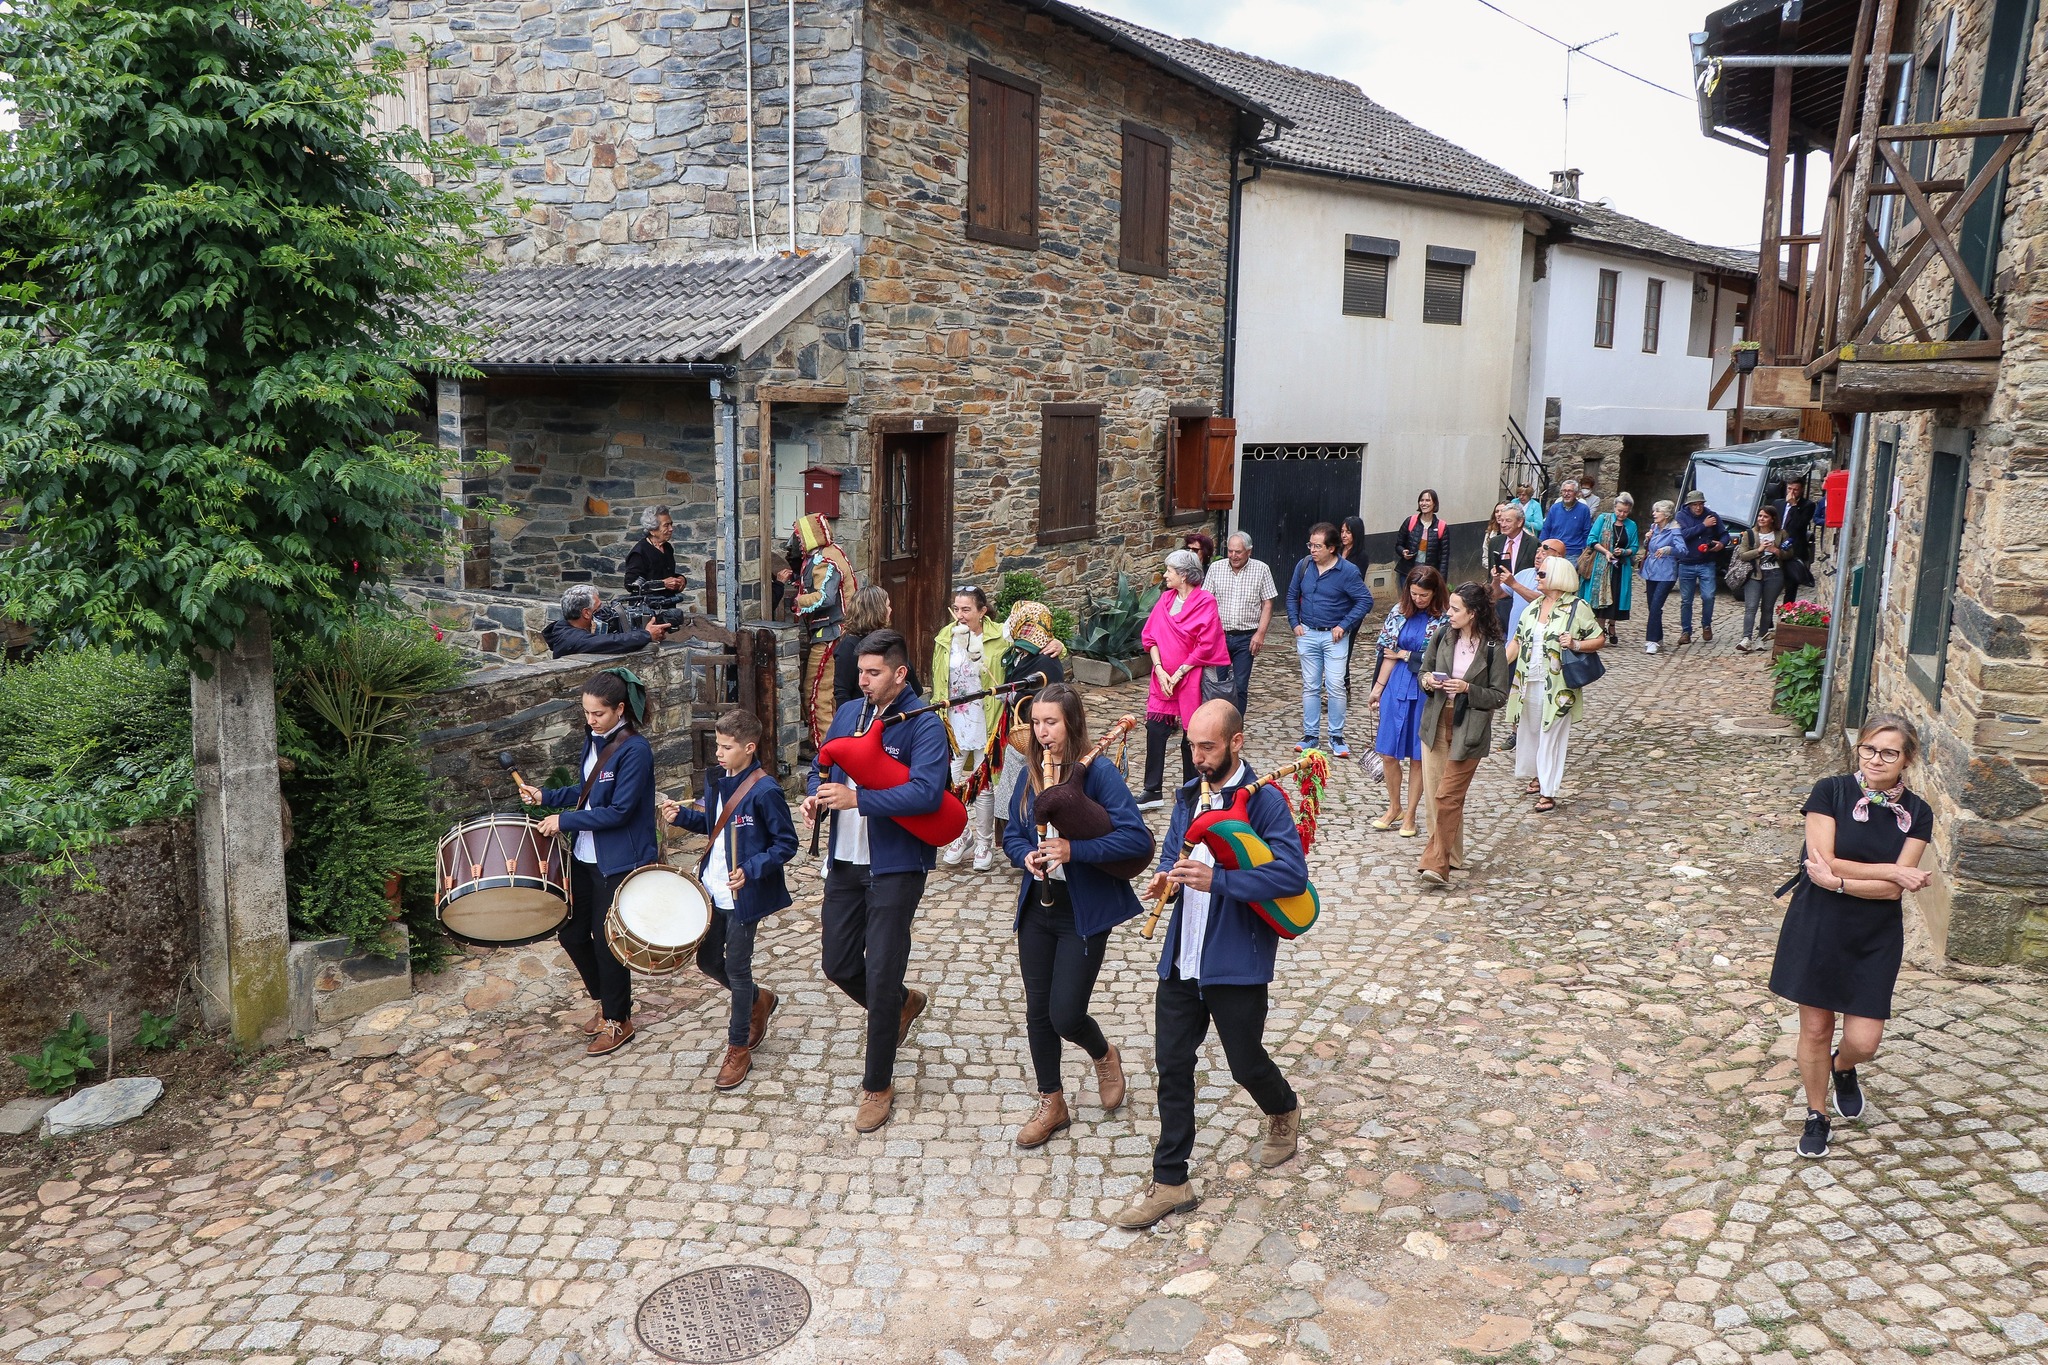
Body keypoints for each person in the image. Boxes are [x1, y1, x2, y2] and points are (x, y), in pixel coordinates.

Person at [1114, 700, 1305, 1230]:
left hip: (1235, 959)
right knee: (1173, 1066)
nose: (1197, 757)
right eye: (1191, 745)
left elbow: (1291, 877)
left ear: (1236, 742)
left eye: (1208, 747)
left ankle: (1283, 1107)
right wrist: (1166, 884)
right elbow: (1177, 859)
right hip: (1183, 957)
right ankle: (1171, 1180)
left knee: (1244, 1062)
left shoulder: (1264, 802)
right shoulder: (1187, 798)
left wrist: (1218, 881)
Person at [802, 629, 949, 1134]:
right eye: (860, 672)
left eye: (873, 673)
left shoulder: (924, 724)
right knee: (838, 963)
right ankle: (902, 1005)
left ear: (899, 673)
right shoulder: (848, 713)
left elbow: (928, 794)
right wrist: (813, 794)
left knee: (882, 971)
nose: (862, 681)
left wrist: (859, 800)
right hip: (845, 859)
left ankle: (878, 1084)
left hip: (896, 863)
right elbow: (822, 764)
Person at [1768, 715, 1932, 1159]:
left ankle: (1844, 1069)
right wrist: (1892, 869)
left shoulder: (1917, 812)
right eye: (1869, 749)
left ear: (1907, 760)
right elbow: (1822, 858)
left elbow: (1889, 890)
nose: (1876, 759)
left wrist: (1843, 881)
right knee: (1817, 1027)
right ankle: (1816, 1115)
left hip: (1874, 932)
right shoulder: (1831, 791)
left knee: (1864, 1041)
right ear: (1859, 749)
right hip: (1819, 922)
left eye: (1889, 753)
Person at [1003, 684, 1146, 1148]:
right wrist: (1025, 853)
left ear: (1072, 724)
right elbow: (1012, 834)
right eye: (1037, 723)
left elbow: (1135, 840)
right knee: (1037, 1014)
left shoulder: (1099, 772)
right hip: (1038, 908)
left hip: (1082, 911)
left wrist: (1073, 849)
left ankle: (1104, 1054)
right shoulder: (1029, 771)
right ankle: (1052, 1102)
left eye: (1052, 723)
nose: (1042, 734)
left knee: (1065, 1014)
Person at [517, 670, 656, 1057]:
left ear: (620, 709)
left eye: (597, 714)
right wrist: (547, 794)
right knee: (571, 932)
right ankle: (606, 1001)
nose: (590, 720)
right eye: (586, 713)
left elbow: (620, 811)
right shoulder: (593, 740)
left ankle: (618, 1019)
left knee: (608, 944)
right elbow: (589, 789)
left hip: (619, 861)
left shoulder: (636, 750)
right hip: (585, 856)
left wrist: (564, 820)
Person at [659, 709, 797, 1091]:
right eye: (717, 745)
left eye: (726, 747)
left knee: (737, 969)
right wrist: (681, 817)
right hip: (712, 887)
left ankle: (738, 1049)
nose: (718, 753)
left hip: (743, 895)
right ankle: (760, 998)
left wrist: (751, 869)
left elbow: (786, 843)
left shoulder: (766, 791)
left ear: (749, 748)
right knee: (706, 960)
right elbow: (715, 825)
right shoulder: (717, 779)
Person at [1417, 582, 1512, 886]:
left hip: (1469, 728)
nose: (1449, 612)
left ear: (1472, 613)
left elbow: (1499, 695)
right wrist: (1429, 681)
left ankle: (1436, 864)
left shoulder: (1494, 647)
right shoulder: (1443, 634)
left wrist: (1467, 689)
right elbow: (1423, 671)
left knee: (1448, 796)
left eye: (1455, 608)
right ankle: (1452, 856)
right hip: (1436, 722)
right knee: (1436, 797)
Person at [1505, 556, 1604, 813]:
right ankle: (1539, 776)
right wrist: (1490, 669)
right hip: (1529, 682)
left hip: (1559, 686)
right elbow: (1516, 642)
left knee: (1551, 736)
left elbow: (1599, 639)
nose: (1536, 577)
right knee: (1531, 732)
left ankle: (1548, 792)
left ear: (1557, 577)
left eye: (1541, 574)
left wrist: (1575, 644)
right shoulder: (1534, 607)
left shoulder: (1577, 607)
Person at [1138, 549, 1230, 809]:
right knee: (1155, 730)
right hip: (1163, 679)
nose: (1165, 575)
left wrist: (1179, 672)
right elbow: (1151, 637)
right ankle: (1152, 790)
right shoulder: (1165, 599)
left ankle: (1194, 791)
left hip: (1192, 678)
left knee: (1192, 736)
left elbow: (1207, 643)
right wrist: (1159, 669)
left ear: (1185, 575)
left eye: (1170, 571)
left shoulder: (1205, 601)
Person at [1368, 567, 1448, 837]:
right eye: (1413, 593)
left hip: (1425, 688)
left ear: (1435, 592)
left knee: (1417, 756)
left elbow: (1436, 660)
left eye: (1423, 595)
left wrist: (1405, 654)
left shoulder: (1445, 618)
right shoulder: (1398, 611)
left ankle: (1411, 814)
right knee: (1388, 753)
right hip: (1396, 684)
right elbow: (1388, 652)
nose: (1418, 599)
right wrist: (1378, 688)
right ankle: (1394, 807)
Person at [933, 585, 1007, 870]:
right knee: (950, 782)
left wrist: (1056, 646)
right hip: (954, 719)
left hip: (986, 716)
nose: (960, 615)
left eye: (967, 610)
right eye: (957, 608)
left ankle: (984, 843)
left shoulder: (1000, 637)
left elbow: (1038, 642)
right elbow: (939, 679)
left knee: (983, 783)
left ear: (982, 611)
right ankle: (961, 835)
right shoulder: (945, 638)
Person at [1285, 523, 1371, 756]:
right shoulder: (1303, 566)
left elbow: (1365, 601)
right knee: (1310, 686)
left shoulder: (1348, 571)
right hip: (1308, 633)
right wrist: (1295, 623)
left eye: (1317, 546)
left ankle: (1336, 736)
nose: (1312, 550)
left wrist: (1344, 625)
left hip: (1334, 638)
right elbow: (1293, 595)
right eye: (1310, 545)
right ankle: (1310, 735)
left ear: (1332, 548)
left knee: (1335, 686)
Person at [992, 600, 1068, 834]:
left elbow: (1046, 699)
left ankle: (1030, 836)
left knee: (1031, 788)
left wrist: (1015, 698)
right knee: (1015, 787)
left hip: (1035, 738)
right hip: (1021, 737)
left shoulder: (1045, 660)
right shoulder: (1018, 653)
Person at [783, 513, 857, 749]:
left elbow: (824, 597)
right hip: (837, 631)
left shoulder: (825, 560)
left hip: (830, 634)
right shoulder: (830, 554)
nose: (796, 543)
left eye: (799, 537)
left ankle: (825, 750)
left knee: (816, 692)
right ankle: (836, 745)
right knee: (831, 693)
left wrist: (797, 601)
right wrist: (796, 580)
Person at [1207, 531, 1277, 718]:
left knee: (1240, 684)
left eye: (1238, 552)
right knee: (1219, 683)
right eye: (1230, 551)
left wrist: (1260, 633)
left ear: (1249, 552)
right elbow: (1206, 601)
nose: (1233, 556)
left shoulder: (1261, 570)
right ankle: (1218, 723)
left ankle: (1236, 725)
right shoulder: (1216, 568)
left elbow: (1268, 603)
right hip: (1219, 636)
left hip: (1246, 636)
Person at [835, 586, 921, 710]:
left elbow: (914, 688)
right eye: (887, 605)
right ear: (878, 610)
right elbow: (842, 693)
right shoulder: (848, 646)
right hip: (864, 718)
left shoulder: (888, 641)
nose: (890, 610)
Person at [543, 585, 672, 658]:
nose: (603, 611)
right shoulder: (572, 638)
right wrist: (647, 635)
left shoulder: (563, 626)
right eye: (598, 608)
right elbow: (611, 642)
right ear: (586, 613)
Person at [1674, 489, 1731, 645]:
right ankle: (1686, 631)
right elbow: (1682, 535)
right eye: (1694, 505)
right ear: (1689, 505)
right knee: (1686, 600)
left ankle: (1706, 624)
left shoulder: (1712, 515)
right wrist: (1703, 525)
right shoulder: (1681, 516)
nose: (1698, 508)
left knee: (1708, 596)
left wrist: (1721, 544)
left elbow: (1724, 534)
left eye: (1700, 504)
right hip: (1686, 563)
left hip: (1707, 562)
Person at [1584, 492, 1640, 645]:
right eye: (1619, 510)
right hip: (1602, 565)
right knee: (1602, 599)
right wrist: (1606, 551)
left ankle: (1612, 625)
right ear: (1614, 507)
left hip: (1620, 567)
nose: (1622, 514)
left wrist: (1623, 552)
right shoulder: (1603, 519)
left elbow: (1634, 547)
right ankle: (1600, 630)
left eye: (1625, 512)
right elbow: (1592, 539)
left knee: (1616, 597)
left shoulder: (1631, 525)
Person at [1735, 505, 1788, 653]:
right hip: (1755, 575)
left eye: (1765, 516)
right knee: (1750, 607)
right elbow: (1742, 555)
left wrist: (1776, 551)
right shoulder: (1750, 534)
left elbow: (1789, 554)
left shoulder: (1781, 534)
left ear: (1772, 519)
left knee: (1767, 608)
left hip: (1775, 575)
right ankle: (1746, 638)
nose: (1761, 519)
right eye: (1760, 516)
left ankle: (1761, 638)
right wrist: (1759, 550)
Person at [1486, 504, 1539, 636]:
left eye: (1508, 521)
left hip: (1521, 600)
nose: (1503, 524)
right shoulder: (1495, 542)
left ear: (1520, 522)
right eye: (1501, 520)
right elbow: (1490, 574)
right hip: (1499, 599)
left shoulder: (1533, 544)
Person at [1640, 500, 1685, 655]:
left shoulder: (1674, 530)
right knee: (1652, 605)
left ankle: (1651, 640)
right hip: (1651, 570)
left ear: (1666, 514)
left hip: (1666, 572)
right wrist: (1647, 539)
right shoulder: (1654, 527)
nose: (1654, 514)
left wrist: (1669, 549)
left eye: (1657, 511)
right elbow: (1649, 547)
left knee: (1656, 606)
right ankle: (1658, 637)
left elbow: (1683, 550)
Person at [621, 505, 689, 594]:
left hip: (667, 604)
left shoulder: (667, 548)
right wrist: (662, 584)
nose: (671, 529)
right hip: (647, 606)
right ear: (652, 530)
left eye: (671, 524)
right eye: (666, 525)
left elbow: (661, 574)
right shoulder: (639, 552)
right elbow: (632, 585)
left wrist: (680, 579)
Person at [1395, 489, 1449, 581]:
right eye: (1421, 500)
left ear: (1434, 503)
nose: (1424, 503)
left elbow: (1444, 557)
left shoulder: (1441, 526)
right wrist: (1403, 552)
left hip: (1428, 575)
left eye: (1427, 500)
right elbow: (1398, 545)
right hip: (1408, 573)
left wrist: (1442, 580)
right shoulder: (1410, 521)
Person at [1540, 479, 1593, 561]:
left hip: (1573, 554)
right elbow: (1546, 529)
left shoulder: (1584, 509)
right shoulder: (1554, 508)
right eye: (1564, 491)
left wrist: (1584, 551)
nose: (1566, 494)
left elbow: (1586, 532)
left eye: (1569, 491)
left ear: (1576, 493)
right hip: (1553, 551)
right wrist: (1542, 546)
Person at [1772, 476, 1817, 568]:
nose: (1791, 492)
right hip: (1776, 544)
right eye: (1789, 489)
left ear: (1801, 490)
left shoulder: (1808, 505)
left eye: (1795, 490)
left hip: (1794, 547)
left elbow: (1799, 524)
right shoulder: (1777, 503)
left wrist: (1793, 505)